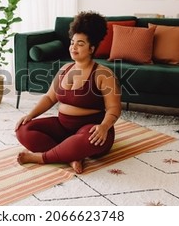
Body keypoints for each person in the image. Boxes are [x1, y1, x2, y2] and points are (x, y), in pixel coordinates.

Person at [15, 11, 122, 174]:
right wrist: (30, 115)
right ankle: (70, 156)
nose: (73, 47)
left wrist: (104, 127)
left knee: (87, 141)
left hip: (92, 129)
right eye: (72, 43)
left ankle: (41, 158)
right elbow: (50, 97)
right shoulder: (65, 69)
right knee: (23, 130)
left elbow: (114, 108)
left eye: (80, 44)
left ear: (91, 48)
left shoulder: (103, 74)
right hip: (63, 128)